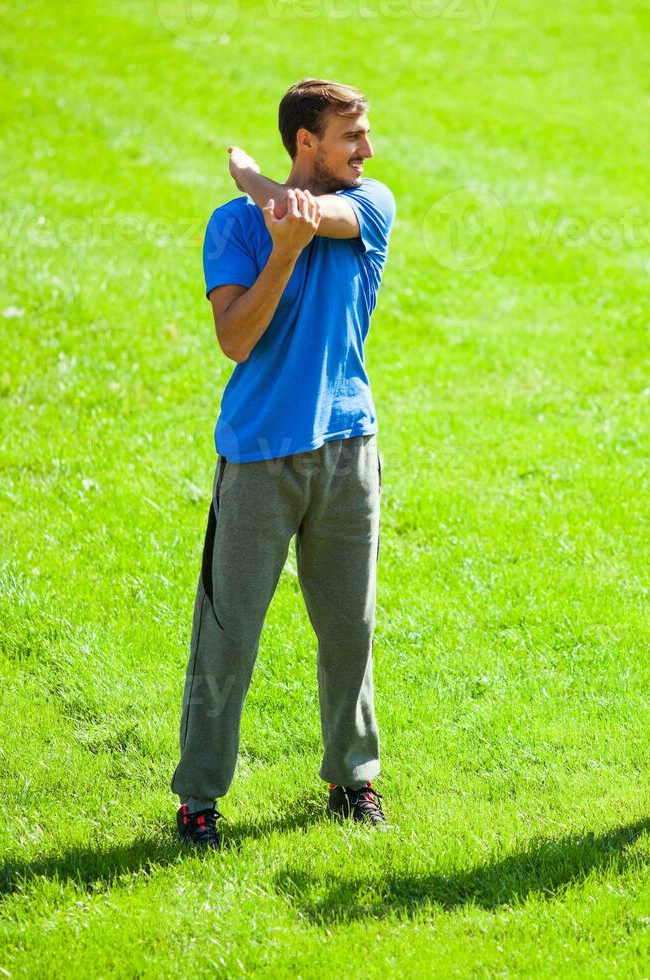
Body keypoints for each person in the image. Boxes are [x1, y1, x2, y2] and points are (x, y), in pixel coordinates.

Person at [171, 78, 395, 847]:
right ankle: (198, 798)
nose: (367, 149)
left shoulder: (369, 207)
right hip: (260, 455)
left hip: (347, 450)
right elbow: (235, 339)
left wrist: (252, 178)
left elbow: (316, 214)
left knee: (349, 627)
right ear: (307, 142)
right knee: (227, 633)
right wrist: (280, 255)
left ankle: (352, 778)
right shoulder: (233, 230)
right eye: (351, 136)